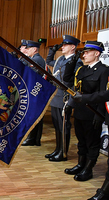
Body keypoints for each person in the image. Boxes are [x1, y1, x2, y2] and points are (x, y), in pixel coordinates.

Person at [63, 41, 109, 182]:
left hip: (93, 112)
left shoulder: (103, 70)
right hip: (80, 111)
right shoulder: (82, 69)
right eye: (84, 52)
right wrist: (73, 60)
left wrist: (99, 115)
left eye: (88, 52)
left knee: (92, 143)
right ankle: (80, 164)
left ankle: (88, 170)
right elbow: (66, 79)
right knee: (81, 141)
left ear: (97, 54)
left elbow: (103, 94)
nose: (85, 54)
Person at [45, 35, 82, 162]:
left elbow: (75, 83)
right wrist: (52, 51)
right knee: (57, 125)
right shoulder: (60, 59)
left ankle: (63, 152)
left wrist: (71, 101)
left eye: (65, 45)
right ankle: (58, 149)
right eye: (63, 44)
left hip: (65, 97)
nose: (63, 46)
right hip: (57, 95)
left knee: (63, 125)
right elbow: (49, 62)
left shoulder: (77, 62)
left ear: (73, 47)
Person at [22, 40, 46, 146]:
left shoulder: (37, 59)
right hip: (33, 91)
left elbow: (33, 75)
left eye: (29, 48)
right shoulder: (34, 59)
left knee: (34, 115)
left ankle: (33, 139)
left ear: (34, 49)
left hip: (36, 91)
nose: (27, 50)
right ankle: (33, 138)